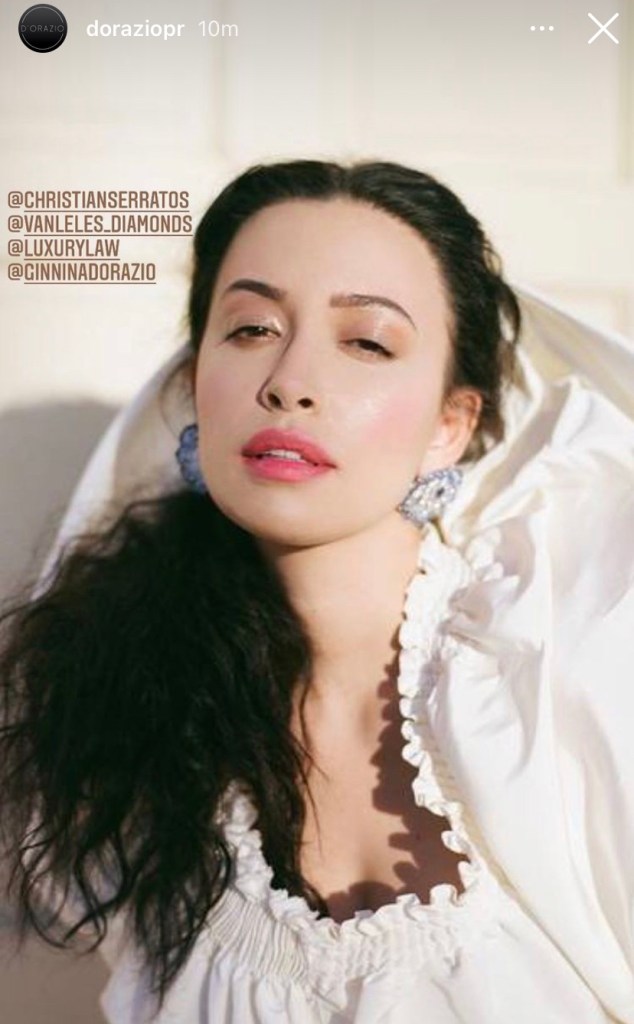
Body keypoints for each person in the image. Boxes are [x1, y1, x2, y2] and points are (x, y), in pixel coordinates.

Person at [1, 159, 633, 1024]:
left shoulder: (567, 666)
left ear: (449, 425)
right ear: (193, 388)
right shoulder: (127, 730)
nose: (290, 382)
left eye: (366, 342)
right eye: (251, 328)